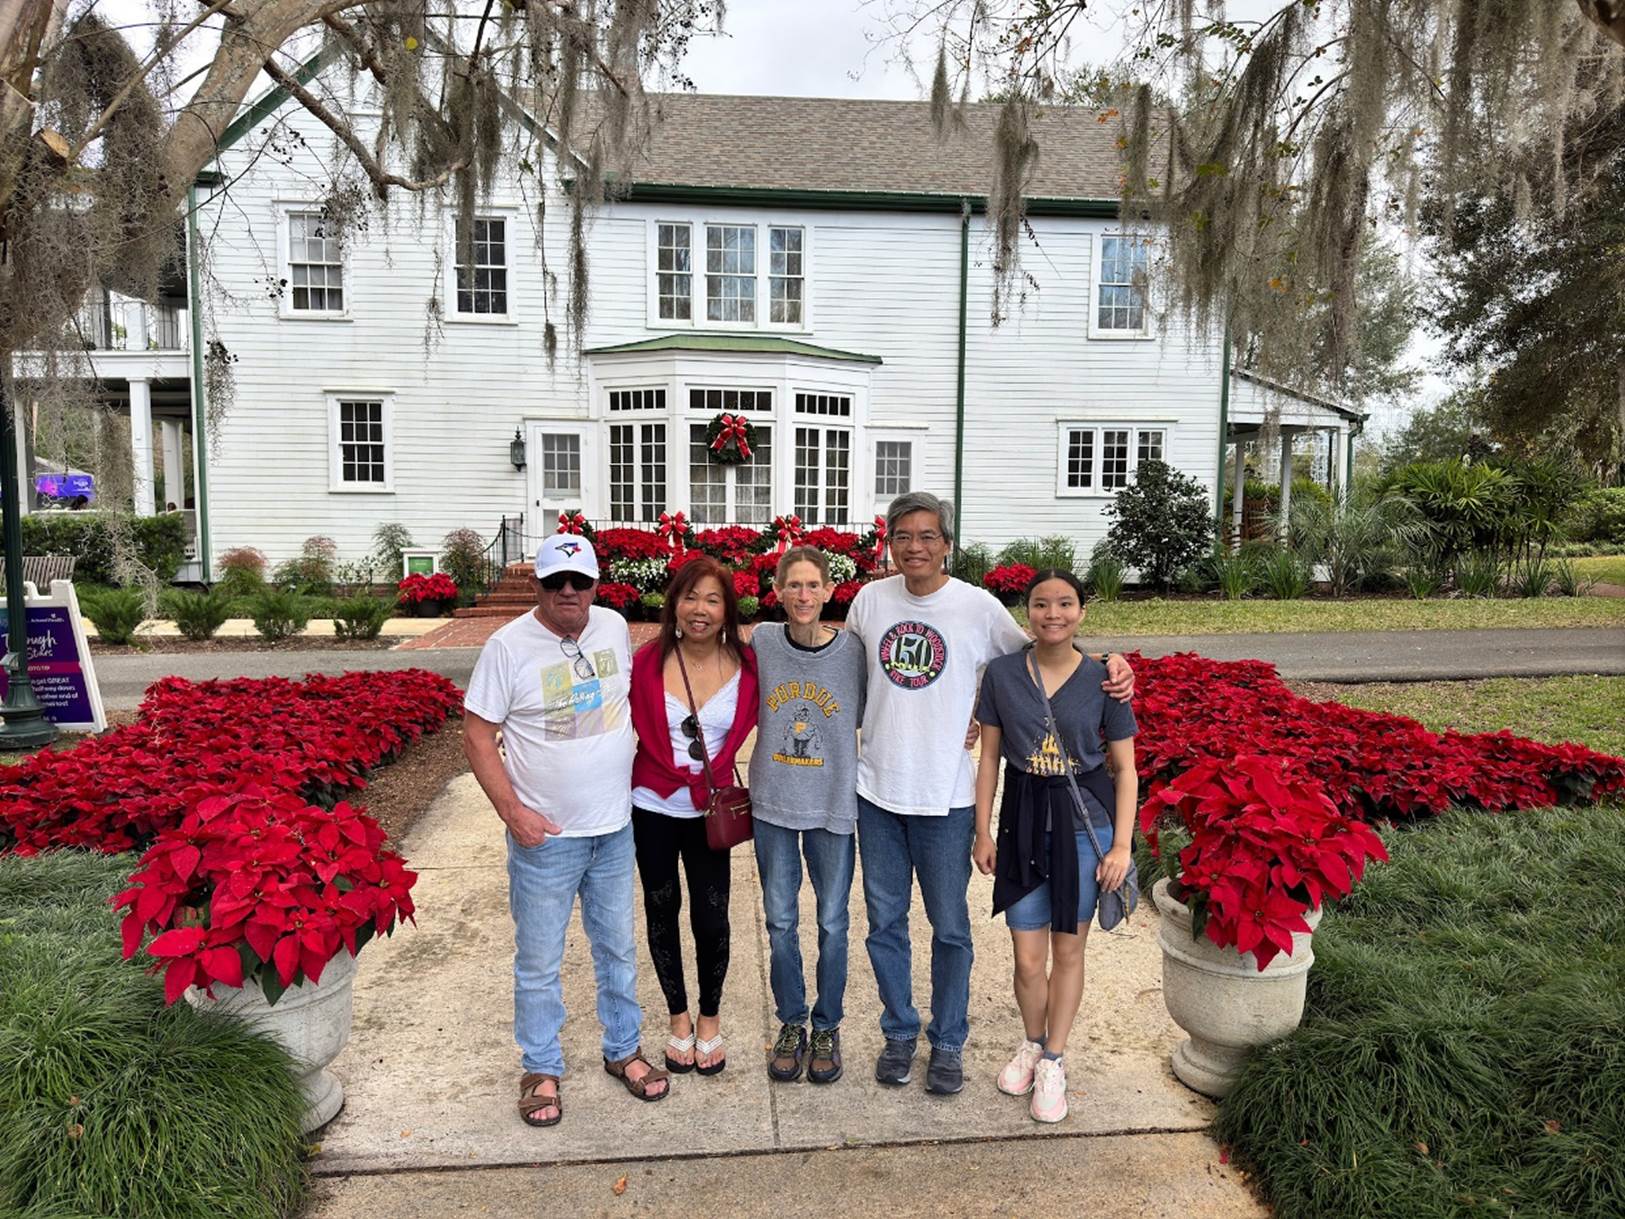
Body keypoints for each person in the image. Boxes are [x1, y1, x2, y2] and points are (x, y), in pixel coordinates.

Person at [846, 491, 1134, 1096]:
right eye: (903, 535)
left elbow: (1043, 651)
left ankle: (948, 1041)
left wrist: (1113, 661)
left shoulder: (977, 608)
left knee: (950, 927)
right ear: (889, 543)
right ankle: (900, 1032)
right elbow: (847, 672)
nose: (915, 546)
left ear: (947, 544)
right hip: (877, 791)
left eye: (928, 536)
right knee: (884, 924)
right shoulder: (869, 601)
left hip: (947, 797)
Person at [463, 533, 669, 1129]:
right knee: (539, 960)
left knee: (617, 951)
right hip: (545, 838)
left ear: (597, 584)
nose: (569, 593)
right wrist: (512, 811)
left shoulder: (612, 627)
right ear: (539, 586)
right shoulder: (507, 647)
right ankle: (541, 1067)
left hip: (613, 827)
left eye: (579, 581)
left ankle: (623, 1050)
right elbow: (478, 735)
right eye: (556, 582)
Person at [973, 568, 1138, 1123]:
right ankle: (1032, 1040)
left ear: (1082, 612)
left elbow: (1125, 769)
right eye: (1041, 604)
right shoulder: (1001, 674)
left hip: (1081, 830)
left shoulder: (1105, 682)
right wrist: (983, 830)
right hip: (1022, 824)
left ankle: (1055, 1060)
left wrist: (1121, 845)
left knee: (1068, 950)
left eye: (1065, 604)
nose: (1053, 614)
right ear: (1027, 612)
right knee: (1026, 958)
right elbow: (989, 758)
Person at [629, 556, 760, 1077]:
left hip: (711, 810)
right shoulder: (644, 663)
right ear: (674, 605)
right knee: (662, 911)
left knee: (711, 916)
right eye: (690, 598)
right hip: (653, 806)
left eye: (712, 599)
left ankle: (710, 1017)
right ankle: (678, 1018)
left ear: (728, 608)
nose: (700, 610)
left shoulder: (749, 668)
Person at [748, 546, 867, 1084]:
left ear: (827, 591)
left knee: (832, 922)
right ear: (777, 592)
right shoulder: (764, 642)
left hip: (832, 805)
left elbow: (901, 700)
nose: (802, 595)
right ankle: (792, 1020)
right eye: (792, 585)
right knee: (780, 922)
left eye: (811, 586)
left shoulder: (852, 653)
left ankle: (828, 1024)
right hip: (773, 804)